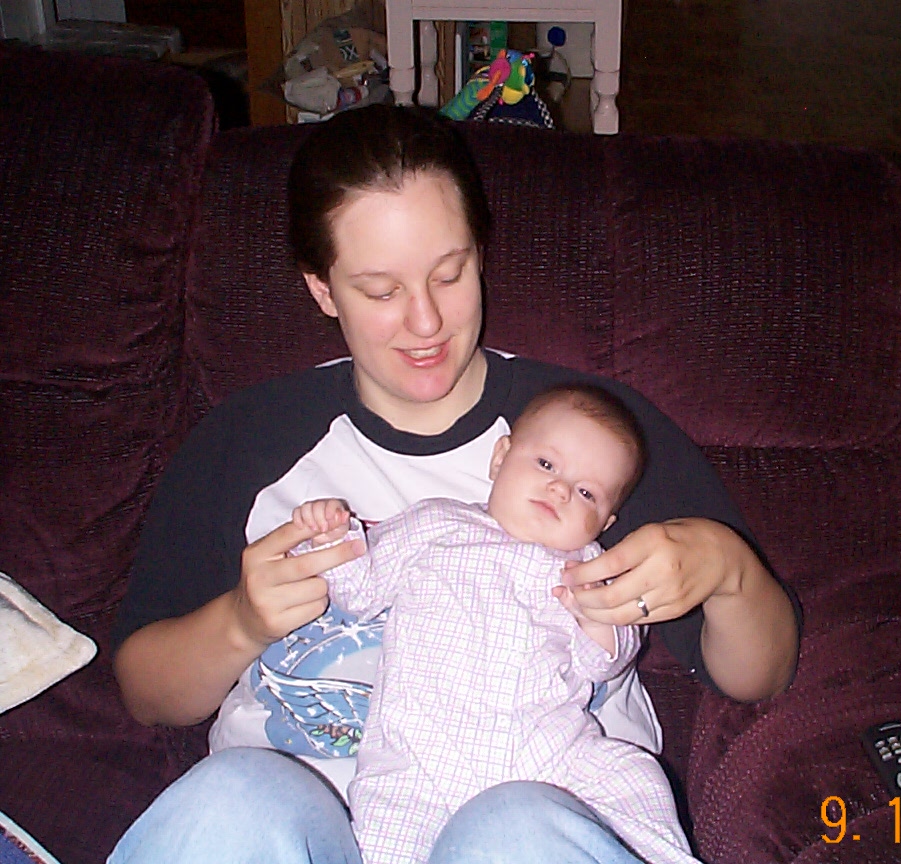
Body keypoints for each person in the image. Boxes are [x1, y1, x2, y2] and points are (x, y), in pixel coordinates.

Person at [108, 103, 801, 864]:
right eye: (381, 291)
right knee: (232, 798)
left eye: (450, 273)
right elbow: (145, 691)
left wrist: (727, 569)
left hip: (534, 808)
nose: (426, 321)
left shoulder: (591, 438)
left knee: (511, 827)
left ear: (481, 253)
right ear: (323, 289)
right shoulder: (248, 439)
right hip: (300, 829)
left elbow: (760, 674)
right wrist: (242, 623)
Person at [291, 383, 696, 864]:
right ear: (500, 457)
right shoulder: (435, 524)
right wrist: (331, 536)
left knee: (632, 775)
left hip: (548, 760)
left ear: (604, 522)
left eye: (587, 492)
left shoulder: (590, 567)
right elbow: (359, 590)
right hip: (417, 762)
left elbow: (606, 661)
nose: (560, 489)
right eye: (546, 464)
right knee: (385, 841)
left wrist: (597, 616)